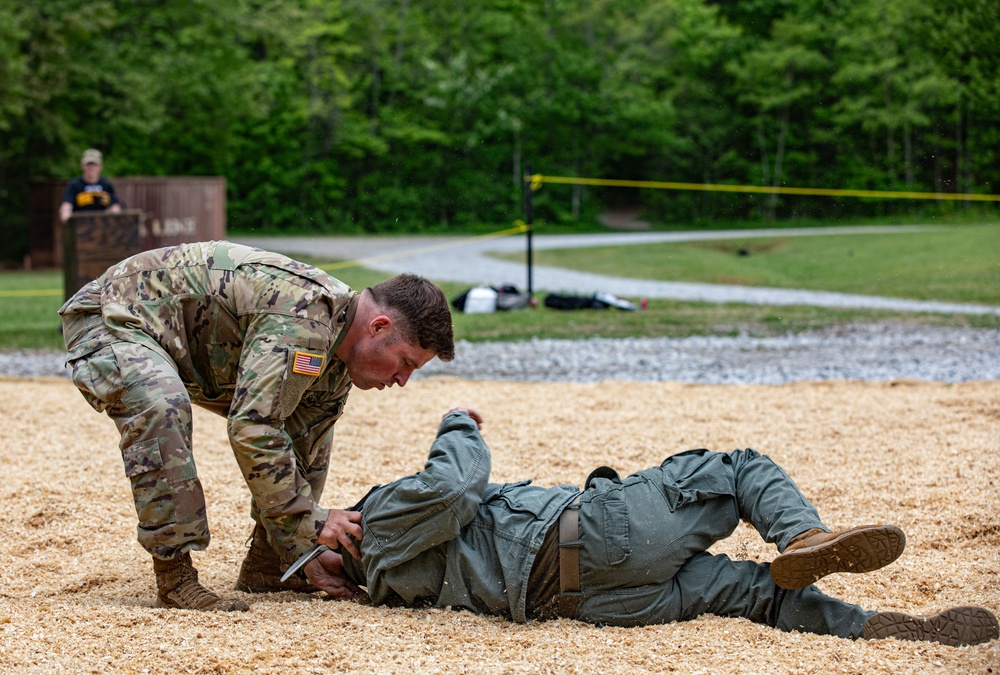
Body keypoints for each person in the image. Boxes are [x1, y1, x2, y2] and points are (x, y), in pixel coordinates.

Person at [308, 408, 998, 648]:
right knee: (733, 468)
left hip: (597, 605)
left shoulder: (389, 586)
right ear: (335, 537)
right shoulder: (374, 520)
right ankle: (802, 535)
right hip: (601, 535)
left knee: (752, 596)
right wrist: (456, 419)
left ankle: (869, 626)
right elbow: (457, 481)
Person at [58, 240, 455, 612]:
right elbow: (253, 426)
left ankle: (267, 567)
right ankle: (175, 578)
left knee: (309, 427)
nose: (402, 380)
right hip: (115, 316)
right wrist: (311, 521)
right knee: (162, 405)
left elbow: (302, 445)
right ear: (380, 326)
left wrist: (298, 551)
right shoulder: (302, 323)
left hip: (188, 347)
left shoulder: (337, 354)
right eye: (406, 363)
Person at [59, 148, 122, 223]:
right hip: (80, 227)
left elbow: (115, 207)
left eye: (95, 164)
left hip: (102, 226)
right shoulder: (74, 185)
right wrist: (66, 214)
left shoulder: (106, 185)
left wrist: (114, 213)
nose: (92, 167)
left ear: (100, 166)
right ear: (82, 165)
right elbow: (66, 205)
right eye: (89, 164)